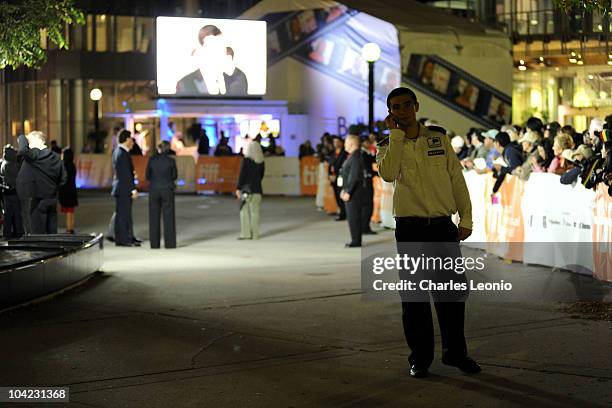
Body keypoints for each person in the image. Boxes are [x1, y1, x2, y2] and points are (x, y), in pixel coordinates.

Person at [376, 87, 480, 378]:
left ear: (416, 106)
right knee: (414, 299)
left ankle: (455, 354)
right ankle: (420, 359)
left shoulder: (438, 138)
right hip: (410, 230)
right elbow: (387, 174)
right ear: (390, 113)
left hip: (442, 227)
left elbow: (456, 180)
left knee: (452, 295)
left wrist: (466, 218)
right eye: (395, 107)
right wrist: (396, 136)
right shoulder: (387, 145)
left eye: (406, 105)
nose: (402, 111)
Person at [17, 131, 66, 234]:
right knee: (51, 233)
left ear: (39, 140)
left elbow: (23, 150)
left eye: (30, 141)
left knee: (38, 235)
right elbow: (63, 179)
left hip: (38, 201)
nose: (29, 144)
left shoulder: (36, 154)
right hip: (52, 200)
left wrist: (22, 136)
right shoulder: (56, 157)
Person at [176, 25, 227, 96]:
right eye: (212, 47)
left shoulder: (230, 80)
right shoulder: (184, 84)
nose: (217, 52)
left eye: (220, 47)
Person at [146, 141, 177, 249]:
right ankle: (170, 243)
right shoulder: (171, 161)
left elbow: (147, 176)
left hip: (154, 189)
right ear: (168, 149)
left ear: (158, 149)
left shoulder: (152, 160)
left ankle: (154, 243)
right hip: (167, 189)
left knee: (154, 216)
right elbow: (174, 175)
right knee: (169, 217)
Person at [112, 129, 139, 247]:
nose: (133, 142)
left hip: (121, 188)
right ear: (127, 140)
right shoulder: (122, 153)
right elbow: (125, 174)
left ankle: (128, 237)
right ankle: (123, 239)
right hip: (124, 189)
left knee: (124, 214)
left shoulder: (119, 152)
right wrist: (133, 189)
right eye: (132, 139)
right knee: (123, 215)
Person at [236, 135, 265, 240]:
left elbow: (242, 175)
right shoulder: (261, 163)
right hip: (258, 190)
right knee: (255, 213)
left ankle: (245, 233)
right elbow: (261, 176)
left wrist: (238, 188)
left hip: (246, 190)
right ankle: (255, 234)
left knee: (243, 211)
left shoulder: (246, 161)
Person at [340, 135, 364, 247]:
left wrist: (348, 191)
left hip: (354, 193)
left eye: (346, 142)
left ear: (352, 144)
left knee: (353, 217)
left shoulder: (355, 157)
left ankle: (356, 240)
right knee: (352, 216)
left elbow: (354, 176)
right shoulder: (354, 156)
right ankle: (355, 239)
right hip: (351, 191)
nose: (344, 144)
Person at [0, 144, 23, 239]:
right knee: (17, 213)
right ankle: (18, 233)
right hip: (14, 192)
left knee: (8, 215)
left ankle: (7, 233)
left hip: (6, 192)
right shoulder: (12, 165)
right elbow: (19, 177)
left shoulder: (3, 163)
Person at [58, 147, 78, 233]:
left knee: (68, 212)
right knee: (71, 211)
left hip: (65, 190)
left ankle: (69, 229)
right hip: (72, 190)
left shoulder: (63, 166)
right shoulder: (72, 165)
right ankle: (71, 227)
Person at [360, 137, 377, 235]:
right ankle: (365, 227)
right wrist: (377, 174)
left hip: (366, 182)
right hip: (365, 183)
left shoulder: (366, 152)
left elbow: (373, 160)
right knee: (367, 205)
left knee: (368, 205)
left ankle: (365, 226)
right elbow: (367, 169)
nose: (369, 143)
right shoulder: (363, 154)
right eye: (367, 142)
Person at [329, 137, 347, 221]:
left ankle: (344, 213)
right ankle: (341, 212)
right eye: (334, 141)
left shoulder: (345, 153)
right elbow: (330, 165)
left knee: (341, 194)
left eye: (337, 141)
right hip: (333, 178)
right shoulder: (333, 153)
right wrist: (330, 175)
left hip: (341, 177)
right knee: (337, 195)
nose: (335, 143)